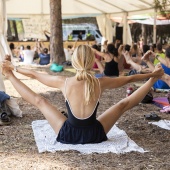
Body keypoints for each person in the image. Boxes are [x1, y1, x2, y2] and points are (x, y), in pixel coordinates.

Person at [1, 45, 164, 144]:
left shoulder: (63, 82)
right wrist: (150, 77)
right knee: (122, 105)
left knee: (40, 101)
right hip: (95, 134)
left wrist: (13, 69)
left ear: (74, 61)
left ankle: (9, 77)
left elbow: (34, 75)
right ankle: (151, 82)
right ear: (90, 60)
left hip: (68, 134)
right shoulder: (101, 82)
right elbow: (130, 78)